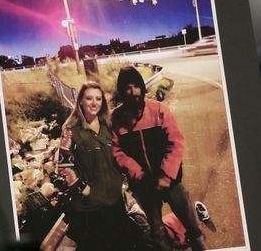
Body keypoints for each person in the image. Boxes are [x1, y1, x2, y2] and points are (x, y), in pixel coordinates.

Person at [111, 66, 206, 251]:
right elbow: (116, 151)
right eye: (127, 88)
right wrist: (133, 169)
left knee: (190, 222)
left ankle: (199, 245)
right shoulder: (116, 118)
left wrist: (166, 175)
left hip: (170, 180)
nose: (133, 92)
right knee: (157, 232)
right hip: (142, 184)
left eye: (136, 86)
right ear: (121, 92)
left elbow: (176, 143)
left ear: (142, 87)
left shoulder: (159, 110)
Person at [58, 82, 131, 251]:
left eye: (98, 99)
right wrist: (83, 189)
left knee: (122, 245)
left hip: (115, 201)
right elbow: (64, 166)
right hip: (90, 207)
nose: (94, 103)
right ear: (80, 102)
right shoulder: (70, 130)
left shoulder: (108, 125)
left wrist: (124, 179)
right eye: (89, 98)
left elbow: (121, 153)